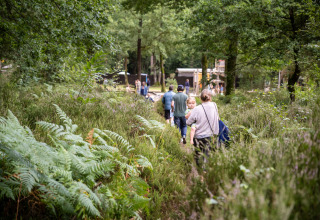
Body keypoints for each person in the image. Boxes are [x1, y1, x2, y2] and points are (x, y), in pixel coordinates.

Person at [186, 89, 219, 167]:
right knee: (207, 156)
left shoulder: (197, 109)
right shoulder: (214, 105)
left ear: (200, 98)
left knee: (198, 157)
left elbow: (188, 122)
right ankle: (205, 174)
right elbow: (216, 118)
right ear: (210, 98)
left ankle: (201, 175)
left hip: (198, 137)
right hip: (210, 136)